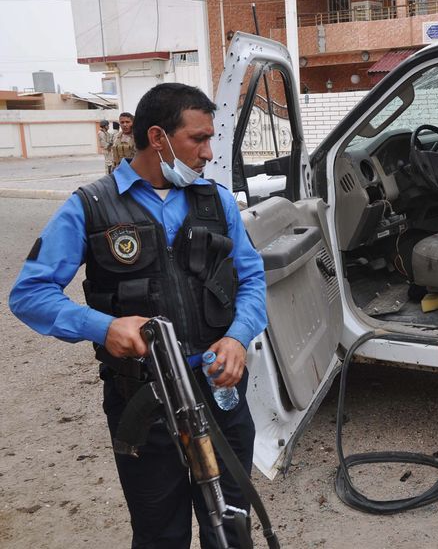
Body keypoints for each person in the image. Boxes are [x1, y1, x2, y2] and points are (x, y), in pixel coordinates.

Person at [9, 83, 267, 549]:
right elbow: (29, 294)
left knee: (229, 523)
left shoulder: (219, 202)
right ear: (158, 137)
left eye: (211, 139)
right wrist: (103, 327)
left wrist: (237, 338)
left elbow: (252, 280)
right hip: (141, 403)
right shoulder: (89, 207)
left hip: (218, 394)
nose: (209, 152)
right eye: (198, 139)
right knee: (159, 533)